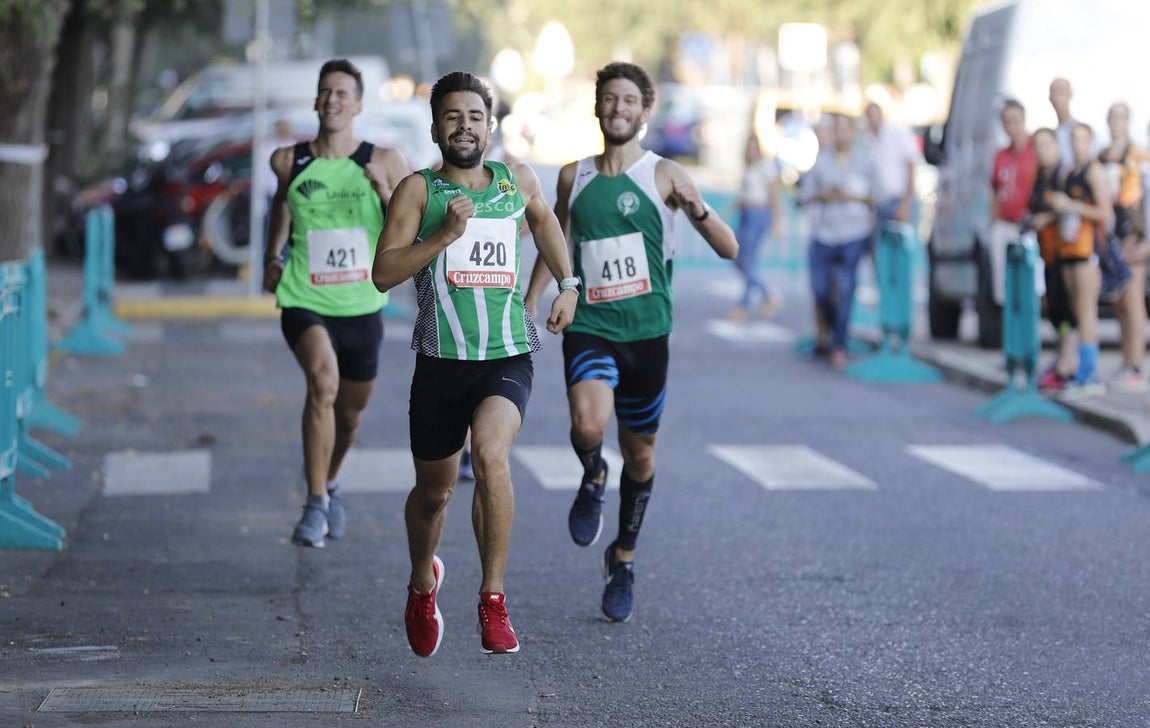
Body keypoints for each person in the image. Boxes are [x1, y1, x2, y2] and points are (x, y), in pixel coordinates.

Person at [371, 71, 578, 657]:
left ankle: (493, 600)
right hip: (440, 362)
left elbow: (545, 222)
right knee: (433, 493)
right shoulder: (418, 190)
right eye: (453, 117)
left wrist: (568, 283)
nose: (465, 126)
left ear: (491, 125)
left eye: (476, 116)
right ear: (436, 126)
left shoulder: (518, 181)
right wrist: (444, 234)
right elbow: (383, 273)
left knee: (491, 456)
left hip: (506, 353)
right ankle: (421, 583)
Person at [525, 61, 738, 623]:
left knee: (641, 452)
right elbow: (557, 240)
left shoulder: (664, 174)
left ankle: (622, 557)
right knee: (588, 425)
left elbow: (729, 248)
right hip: (591, 324)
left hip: (647, 334)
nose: (618, 108)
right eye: (609, 99)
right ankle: (594, 473)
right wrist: (529, 303)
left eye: (628, 101)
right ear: (597, 108)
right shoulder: (574, 176)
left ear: (644, 113)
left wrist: (697, 207)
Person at [262, 59, 409, 548]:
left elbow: (407, 228)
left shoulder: (384, 161)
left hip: (363, 303)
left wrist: (385, 192)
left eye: (343, 93)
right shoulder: (289, 160)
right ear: (316, 100)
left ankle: (332, 478)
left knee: (349, 415)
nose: (333, 99)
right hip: (305, 296)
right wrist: (273, 255)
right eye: (326, 91)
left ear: (359, 105)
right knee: (322, 383)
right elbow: (282, 203)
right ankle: (316, 501)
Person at [799, 113, 876, 370]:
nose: (841, 134)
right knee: (821, 289)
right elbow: (804, 196)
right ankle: (830, 330)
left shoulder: (865, 162)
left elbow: (878, 198)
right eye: (837, 129)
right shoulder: (822, 162)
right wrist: (824, 195)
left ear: (853, 132)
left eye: (845, 129)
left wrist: (852, 197)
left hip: (853, 234)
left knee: (845, 289)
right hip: (824, 234)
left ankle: (839, 342)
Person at [1048, 123, 1113, 398]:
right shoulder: (1069, 172)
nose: (1077, 145)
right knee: (1075, 310)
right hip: (1068, 247)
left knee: (1086, 310)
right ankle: (1074, 368)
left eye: (1082, 140)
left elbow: (1104, 213)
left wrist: (1072, 206)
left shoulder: (1093, 171)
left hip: (1087, 249)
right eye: (1073, 140)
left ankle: (1089, 372)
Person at [1098, 102, 1149, 391]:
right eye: (1112, 118)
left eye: (1121, 118)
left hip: (1133, 234)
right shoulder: (1104, 155)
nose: (1116, 123)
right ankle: (1126, 359)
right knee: (1119, 302)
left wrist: (1143, 237)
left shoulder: (1138, 155)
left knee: (1133, 302)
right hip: (1112, 234)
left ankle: (1136, 364)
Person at [1028, 127, 1079, 393]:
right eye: (1037, 145)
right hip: (1046, 254)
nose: (1042, 150)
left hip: (1065, 252)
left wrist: (1044, 219)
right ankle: (1062, 359)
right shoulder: (1041, 175)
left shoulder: (1064, 175)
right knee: (1056, 312)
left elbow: (1068, 209)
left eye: (1047, 144)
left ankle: (1069, 364)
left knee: (1069, 312)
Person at [728, 132, 783, 322]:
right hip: (745, 214)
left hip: (758, 214)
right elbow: (742, 195)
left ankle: (744, 305)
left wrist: (777, 221)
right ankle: (767, 294)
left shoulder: (766, 167)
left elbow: (774, 195)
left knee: (748, 260)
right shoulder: (749, 168)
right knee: (739, 259)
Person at [988, 99, 1038, 307]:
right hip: (1005, 223)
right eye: (1007, 122)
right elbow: (996, 192)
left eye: (1015, 121)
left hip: (1028, 224)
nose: (1011, 126)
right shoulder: (1001, 155)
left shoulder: (1034, 151)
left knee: (1031, 280)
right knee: (1003, 282)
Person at [863, 101, 917, 235]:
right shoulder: (866, 139)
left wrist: (906, 202)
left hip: (898, 199)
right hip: (879, 202)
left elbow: (911, 165)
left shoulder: (898, 132)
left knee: (903, 244)